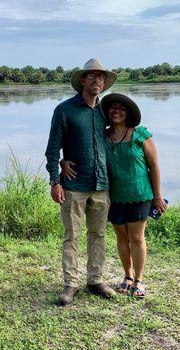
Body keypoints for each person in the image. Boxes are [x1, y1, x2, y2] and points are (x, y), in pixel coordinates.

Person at [61, 93, 168, 299]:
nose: (116, 111)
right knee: (121, 237)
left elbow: (154, 165)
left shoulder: (140, 135)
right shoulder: (104, 136)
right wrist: (64, 161)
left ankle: (139, 280)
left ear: (128, 113)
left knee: (136, 238)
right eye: (112, 108)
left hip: (139, 194)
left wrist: (157, 196)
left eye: (121, 108)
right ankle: (127, 277)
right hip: (114, 196)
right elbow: (82, 149)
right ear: (107, 113)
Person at [45, 58, 117, 306]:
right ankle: (70, 284)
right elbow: (53, 150)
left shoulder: (104, 111)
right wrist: (55, 180)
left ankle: (95, 280)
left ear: (104, 82)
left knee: (98, 234)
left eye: (101, 76)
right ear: (83, 80)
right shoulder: (65, 110)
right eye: (92, 76)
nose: (97, 80)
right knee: (72, 236)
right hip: (73, 186)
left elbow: (122, 132)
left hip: (101, 184)